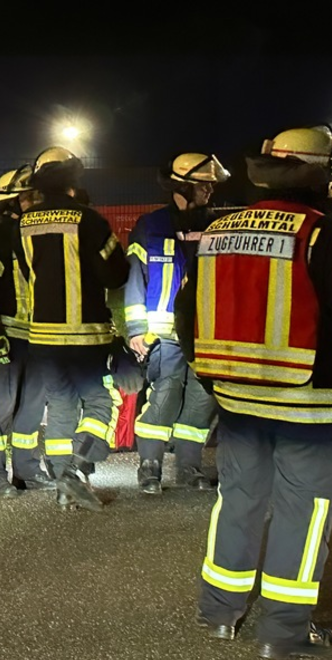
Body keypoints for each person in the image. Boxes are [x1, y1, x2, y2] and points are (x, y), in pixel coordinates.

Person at [176, 126, 332, 660]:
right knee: (303, 511)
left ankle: (219, 613)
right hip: (309, 403)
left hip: (237, 400)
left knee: (238, 500)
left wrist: (209, 376)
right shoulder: (319, 232)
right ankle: (283, 632)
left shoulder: (218, 231)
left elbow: (186, 313)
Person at [16, 146, 129, 511]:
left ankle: (64, 488)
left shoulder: (25, 222)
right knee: (100, 403)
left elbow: (28, 271)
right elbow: (116, 274)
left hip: (42, 336)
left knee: (61, 406)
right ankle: (76, 471)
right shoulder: (90, 220)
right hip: (86, 335)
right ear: (73, 180)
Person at [124, 153, 229, 494]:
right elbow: (135, 278)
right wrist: (135, 329)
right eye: (203, 185)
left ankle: (189, 466)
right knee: (166, 394)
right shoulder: (151, 226)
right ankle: (149, 466)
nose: (210, 190)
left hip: (205, 333)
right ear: (182, 187)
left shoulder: (219, 226)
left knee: (201, 399)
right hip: (164, 334)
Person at [0, 165, 54, 497]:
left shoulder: (43, 238)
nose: (35, 202)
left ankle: (27, 471)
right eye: (28, 197)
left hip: (38, 338)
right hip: (6, 338)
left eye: (37, 196)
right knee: (2, 405)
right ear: (11, 203)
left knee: (33, 407)